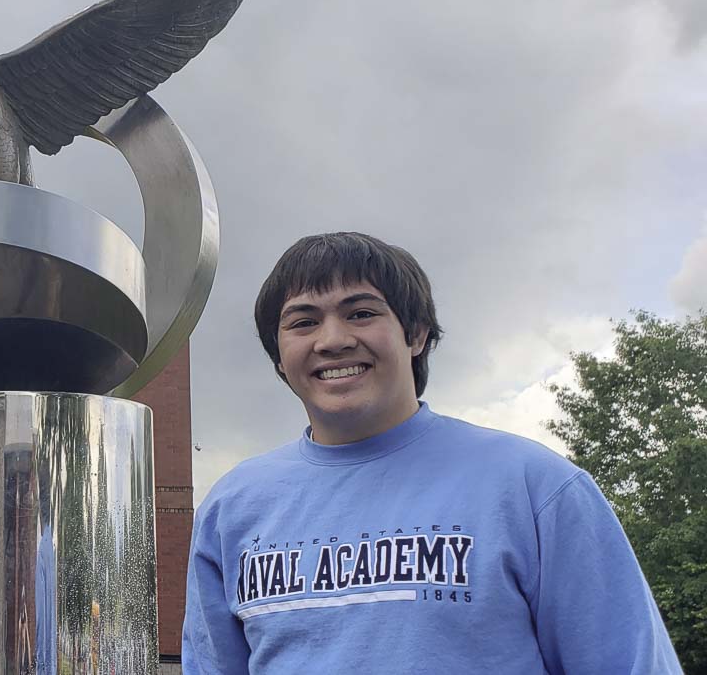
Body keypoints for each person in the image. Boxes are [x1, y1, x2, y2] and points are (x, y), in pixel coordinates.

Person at [181, 232, 682, 674]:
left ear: (415, 334)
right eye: (303, 322)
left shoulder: (535, 488)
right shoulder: (232, 509)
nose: (332, 340)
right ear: (278, 354)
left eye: (361, 313)